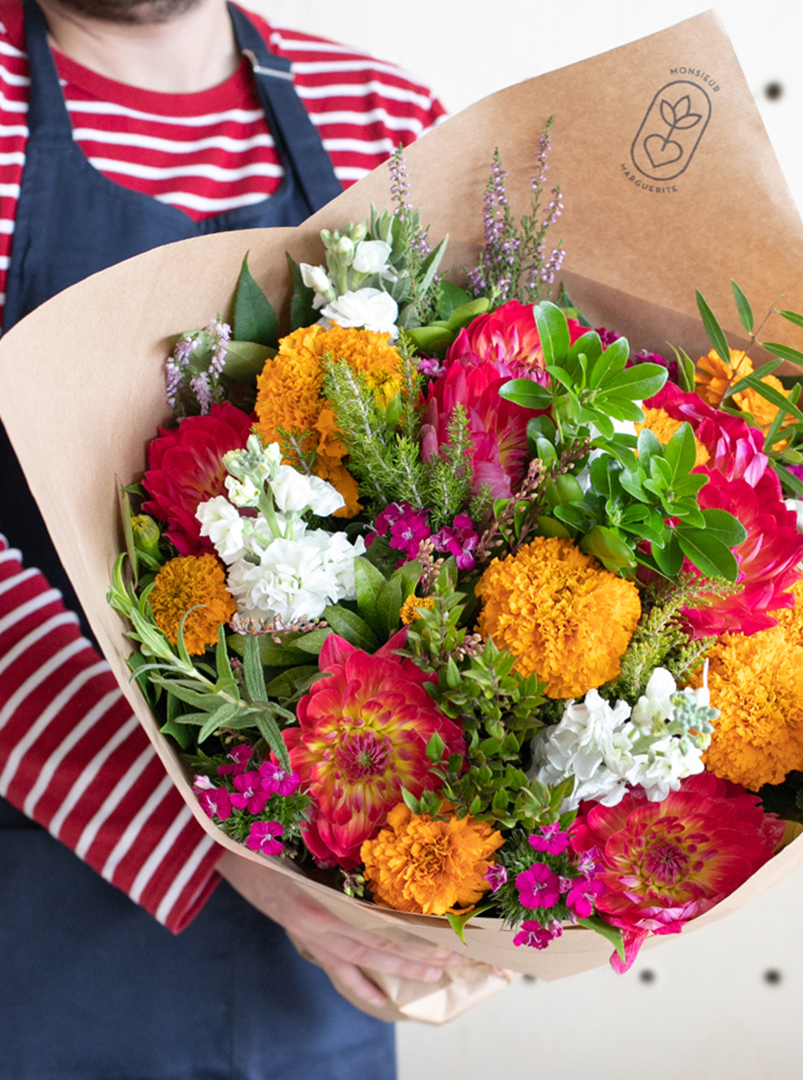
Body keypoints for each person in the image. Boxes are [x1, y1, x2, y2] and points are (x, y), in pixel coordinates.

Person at [0, 1, 456, 1075]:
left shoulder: (386, 125)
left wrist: (474, 891)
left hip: (326, 946)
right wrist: (208, 838)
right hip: (35, 905)